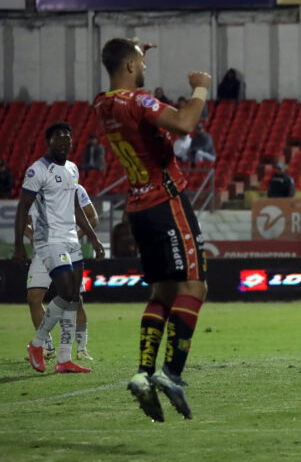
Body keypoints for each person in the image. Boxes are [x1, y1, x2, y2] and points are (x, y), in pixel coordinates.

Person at [95, 37, 211, 422]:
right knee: (194, 286)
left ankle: (144, 374)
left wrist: (133, 48)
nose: (145, 67)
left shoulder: (103, 104)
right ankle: (171, 373)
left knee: (162, 291)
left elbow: (122, 69)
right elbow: (184, 123)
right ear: (129, 67)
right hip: (166, 202)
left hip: (138, 208)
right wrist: (200, 86)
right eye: (141, 62)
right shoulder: (138, 101)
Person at [12, 121, 105, 374]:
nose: (65, 141)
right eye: (59, 137)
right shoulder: (37, 170)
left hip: (71, 239)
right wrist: (19, 244)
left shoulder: (73, 169)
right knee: (65, 292)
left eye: (68, 137)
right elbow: (22, 208)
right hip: (48, 239)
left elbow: (76, 206)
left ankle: (64, 359)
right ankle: (38, 344)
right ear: (49, 141)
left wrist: (93, 238)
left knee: (73, 298)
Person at [25, 183, 99, 361]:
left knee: (76, 300)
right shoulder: (33, 191)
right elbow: (25, 222)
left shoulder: (74, 188)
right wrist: (31, 236)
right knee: (33, 297)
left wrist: (75, 237)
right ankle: (46, 346)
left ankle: (82, 349)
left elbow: (93, 217)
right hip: (43, 251)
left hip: (67, 249)